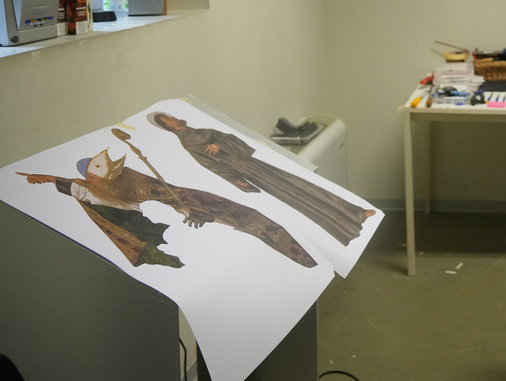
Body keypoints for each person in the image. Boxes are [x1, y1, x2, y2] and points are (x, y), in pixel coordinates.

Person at [19, 150, 317, 268]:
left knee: (244, 216)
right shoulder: (89, 187)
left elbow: (166, 195)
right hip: (140, 219)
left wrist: (189, 210)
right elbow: (74, 187)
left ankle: (300, 251)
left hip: (190, 201)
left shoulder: (128, 177)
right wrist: (46, 178)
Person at [149, 112, 374, 246]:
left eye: (168, 115)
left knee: (302, 184)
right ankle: (345, 227)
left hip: (253, 163)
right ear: (166, 126)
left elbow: (226, 138)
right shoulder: (187, 140)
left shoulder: (194, 129)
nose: (171, 118)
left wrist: (221, 143)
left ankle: (354, 212)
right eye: (166, 119)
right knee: (295, 198)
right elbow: (208, 163)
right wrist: (236, 180)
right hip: (246, 168)